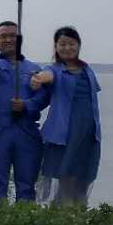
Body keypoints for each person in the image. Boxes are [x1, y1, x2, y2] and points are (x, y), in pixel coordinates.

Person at [29, 26, 102, 206]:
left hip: (89, 134)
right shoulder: (55, 69)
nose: (67, 48)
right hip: (64, 134)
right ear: (56, 47)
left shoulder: (87, 70)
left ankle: (79, 213)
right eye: (62, 44)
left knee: (84, 177)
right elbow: (46, 76)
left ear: (79, 45)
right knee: (65, 177)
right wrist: (38, 79)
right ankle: (62, 214)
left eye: (71, 43)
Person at [0, 21, 44, 202]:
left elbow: (43, 97)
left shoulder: (34, 69)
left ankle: (25, 219)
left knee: (27, 185)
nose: (8, 40)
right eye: (3, 36)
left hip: (27, 130)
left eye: (12, 36)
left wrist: (27, 105)